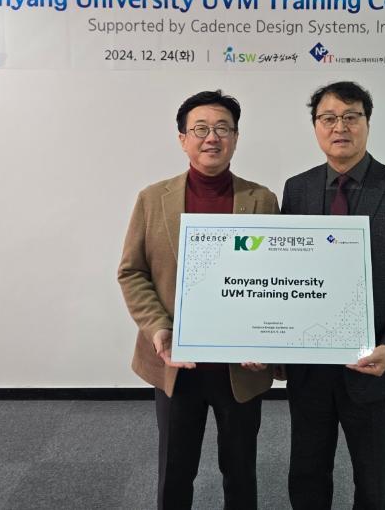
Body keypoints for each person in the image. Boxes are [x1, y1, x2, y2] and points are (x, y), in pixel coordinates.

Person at [117, 89, 279, 510]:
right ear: (182, 139)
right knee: (175, 471)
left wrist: (266, 339)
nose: (212, 137)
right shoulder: (153, 199)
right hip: (175, 362)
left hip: (239, 366)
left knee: (240, 470)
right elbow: (132, 272)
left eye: (223, 128)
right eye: (201, 128)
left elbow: (276, 277)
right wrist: (158, 329)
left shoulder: (261, 200)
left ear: (236, 138)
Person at [281, 81, 385, 510]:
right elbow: (285, 275)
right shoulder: (297, 190)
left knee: (372, 482)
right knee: (307, 475)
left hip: (374, 365)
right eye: (329, 118)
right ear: (315, 126)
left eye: (352, 117)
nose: (340, 127)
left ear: (368, 123)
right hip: (310, 369)